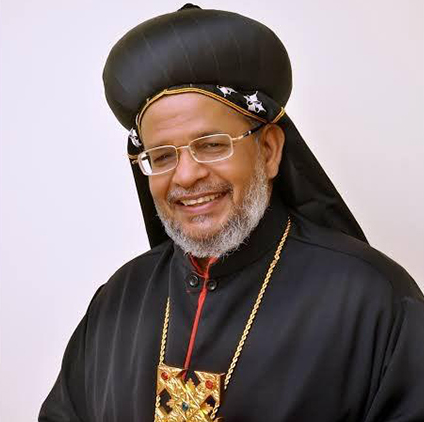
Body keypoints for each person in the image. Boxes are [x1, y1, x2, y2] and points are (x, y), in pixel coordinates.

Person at [39, 4, 424, 422]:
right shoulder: (116, 300)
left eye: (211, 145)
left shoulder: (376, 300)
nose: (186, 175)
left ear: (269, 150)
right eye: (162, 156)